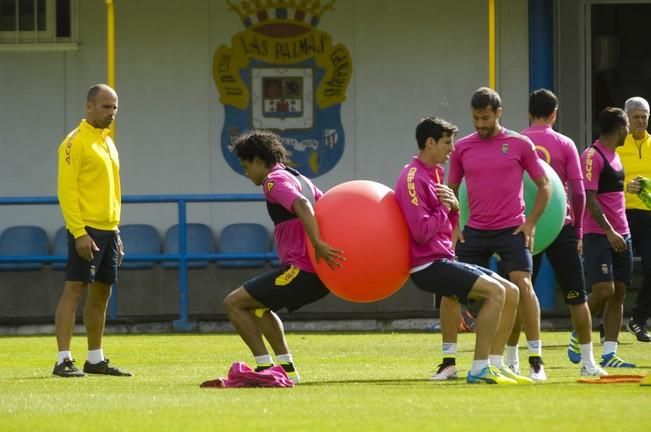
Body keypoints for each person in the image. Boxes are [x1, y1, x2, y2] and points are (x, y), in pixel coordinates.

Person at [395, 117, 526, 385]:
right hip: (426, 265)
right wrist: (445, 208)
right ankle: (479, 368)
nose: (452, 150)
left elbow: (446, 227)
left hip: (443, 257)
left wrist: (453, 208)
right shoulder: (412, 176)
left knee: (513, 291)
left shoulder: (433, 174)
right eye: (446, 143)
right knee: (497, 292)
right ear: (430, 143)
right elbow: (421, 232)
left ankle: (496, 364)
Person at [444, 87, 552, 381]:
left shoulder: (520, 144)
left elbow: (545, 186)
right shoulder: (463, 147)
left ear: (498, 113)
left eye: (486, 118)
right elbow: (449, 191)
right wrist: (454, 226)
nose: (480, 124)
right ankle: (448, 361)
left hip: (510, 229)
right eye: (476, 118)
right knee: (451, 290)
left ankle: (536, 361)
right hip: (474, 231)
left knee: (523, 284)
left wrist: (530, 223)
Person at [222, 130, 344, 384]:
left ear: (258, 160)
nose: (247, 173)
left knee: (233, 303)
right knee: (259, 308)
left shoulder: (273, 181)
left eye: (246, 167)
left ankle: (265, 368)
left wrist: (318, 244)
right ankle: (287, 371)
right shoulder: (299, 176)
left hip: (302, 270)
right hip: (316, 272)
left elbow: (302, 205)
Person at [509, 89, 605, 376]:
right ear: (555, 113)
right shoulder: (565, 143)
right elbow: (578, 191)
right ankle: (588, 363)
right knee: (577, 296)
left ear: (529, 112)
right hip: (561, 226)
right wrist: (577, 229)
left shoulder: (516, 141)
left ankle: (512, 361)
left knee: (518, 294)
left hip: (524, 225)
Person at [53, 84, 130, 377]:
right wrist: (79, 231)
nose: (111, 113)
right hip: (85, 229)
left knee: (102, 294)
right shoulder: (74, 143)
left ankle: (95, 359)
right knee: (74, 289)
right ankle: (63, 360)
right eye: (105, 107)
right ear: (89, 107)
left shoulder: (108, 142)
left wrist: (117, 231)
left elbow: (112, 191)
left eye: (115, 107)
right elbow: (67, 191)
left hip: (109, 230)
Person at [581, 107, 636, 368]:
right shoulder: (592, 155)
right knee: (604, 289)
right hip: (599, 234)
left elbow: (611, 192)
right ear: (620, 128)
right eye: (627, 125)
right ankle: (577, 332)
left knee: (619, 293)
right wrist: (608, 231)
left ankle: (609, 354)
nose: (630, 131)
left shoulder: (616, 156)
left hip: (622, 232)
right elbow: (590, 198)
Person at [617, 97, 651, 343]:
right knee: (619, 275)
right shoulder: (617, 147)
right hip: (622, 215)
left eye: (644, 116)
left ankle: (638, 320)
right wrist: (625, 186)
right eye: (636, 116)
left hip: (649, 216)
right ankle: (608, 324)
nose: (640, 121)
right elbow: (602, 180)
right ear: (627, 118)